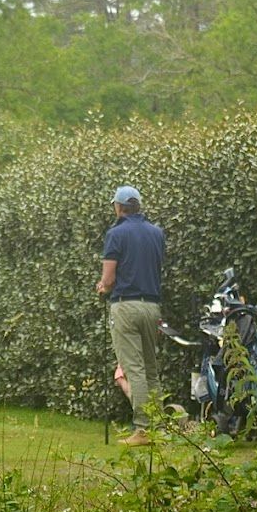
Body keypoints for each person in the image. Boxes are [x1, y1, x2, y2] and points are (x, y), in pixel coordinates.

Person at [96, 185, 165, 447]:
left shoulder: (116, 234)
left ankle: (143, 429)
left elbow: (109, 279)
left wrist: (102, 287)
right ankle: (159, 428)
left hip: (126, 306)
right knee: (151, 369)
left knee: (134, 369)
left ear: (119, 207)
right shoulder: (157, 233)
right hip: (152, 306)